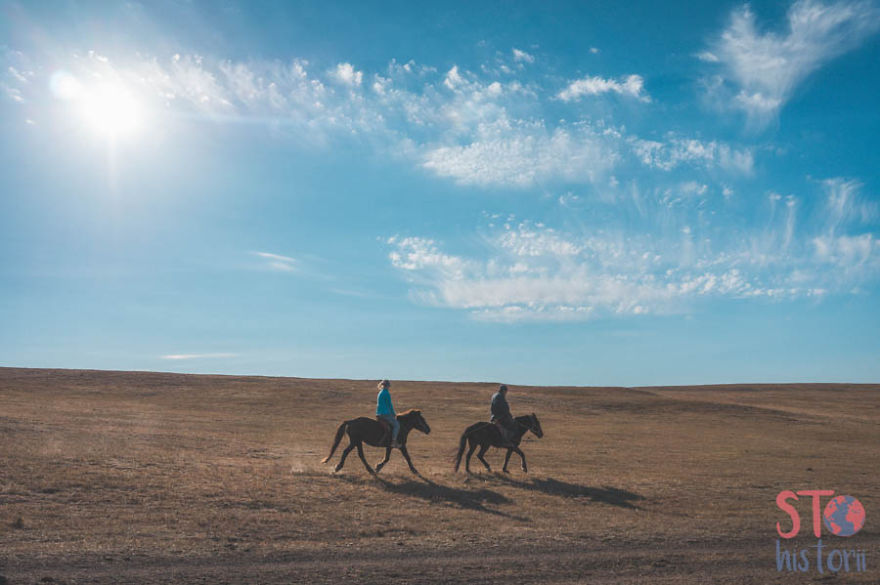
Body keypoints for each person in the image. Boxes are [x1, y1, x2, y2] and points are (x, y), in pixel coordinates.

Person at [376, 379, 400, 448]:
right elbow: (389, 404)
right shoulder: (386, 393)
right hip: (385, 414)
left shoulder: (380, 392)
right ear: (387, 386)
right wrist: (393, 413)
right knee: (396, 425)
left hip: (379, 413)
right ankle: (394, 442)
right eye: (388, 386)